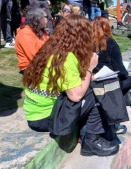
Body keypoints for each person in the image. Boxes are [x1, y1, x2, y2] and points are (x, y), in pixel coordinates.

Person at [22, 15, 119, 156]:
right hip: (46, 118)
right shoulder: (66, 58)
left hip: (34, 114)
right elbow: (76, 96)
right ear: (81, 36)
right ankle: (91, 140)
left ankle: (92, 130)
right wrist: (90, 68)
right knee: (98, 90)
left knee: (90, 87)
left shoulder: (50, 50)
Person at [92, 16, 131, 105]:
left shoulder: (88, 43)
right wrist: (125, 73)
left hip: (95, 81)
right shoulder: (110, 43)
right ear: (106, 27)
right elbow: (120, 71)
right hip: (110, 82)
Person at [15, 8, 49, 74]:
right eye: (46, 17)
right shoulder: (25, 33)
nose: (48, 19)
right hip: (32, 69)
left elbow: (51, 46)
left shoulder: (41, 31)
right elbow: (33, 56)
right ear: (38, 18)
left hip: (44, 64)